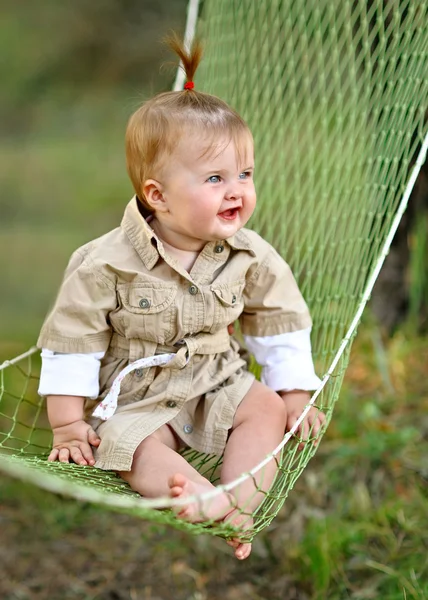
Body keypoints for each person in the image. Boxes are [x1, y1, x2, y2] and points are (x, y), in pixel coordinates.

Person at [37, 35, 323, 560]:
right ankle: (195, 494)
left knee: (265, 412)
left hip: (216, 376)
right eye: (215, 178)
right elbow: (72, 338)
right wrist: (68, 421)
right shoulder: (104, 262)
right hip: (136, 394)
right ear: (157, 195)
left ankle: (234, 501)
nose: (237, 190)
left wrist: (294, 393)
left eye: (245, 174)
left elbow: (280, 316)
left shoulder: (249, 254)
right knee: (131, 448)